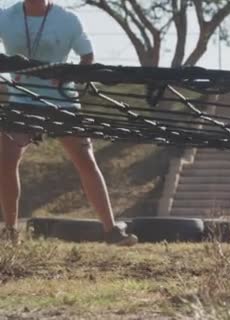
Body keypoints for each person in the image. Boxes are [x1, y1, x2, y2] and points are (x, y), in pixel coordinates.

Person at [0, 0, 138, 246]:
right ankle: (11, 231)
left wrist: (69, 75)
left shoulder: (67, 19)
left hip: (61, 101)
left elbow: (87, 55)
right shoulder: (6, 17)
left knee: (85, 159)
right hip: (22, 100)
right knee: (6, 158)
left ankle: (111, 231)